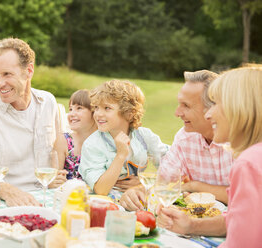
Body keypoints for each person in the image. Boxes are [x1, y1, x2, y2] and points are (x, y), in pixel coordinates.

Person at [157, 65, 262, 247]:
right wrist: (191, 225)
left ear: (240, 109)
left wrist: (195, 186)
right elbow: (239, 219)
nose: (210, 113)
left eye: (217, 104)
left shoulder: (250, 163)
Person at [0, 38, 66, 206]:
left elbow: (57, 148)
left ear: (29, 71)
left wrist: (56, 174)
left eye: (7, 74)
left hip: (49, 197)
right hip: (10, 203)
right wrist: (8, 191)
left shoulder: (48, 102)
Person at [120, 70, 234, 211]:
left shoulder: (242, 139)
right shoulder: (185, 138)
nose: (177, 113)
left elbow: (250, 196)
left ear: (213, 107)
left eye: (186, 105)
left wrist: (195, 186)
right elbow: (166, 181)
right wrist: (138, 191)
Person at [79, 80, 169, 196]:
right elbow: (100, 190)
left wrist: (143, 183)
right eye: (96, 107)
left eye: (107, 108)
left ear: (129, 113)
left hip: (137, 198)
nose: (98, 114)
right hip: (106, 203)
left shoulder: (144, 136)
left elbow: (172, 165)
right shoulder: (93, 144)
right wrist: (120, 155)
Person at [55, 89, 97, 179]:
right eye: (70, 109)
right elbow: (55, 177)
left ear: (94, 112)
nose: (71, 114)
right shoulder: (64, 141)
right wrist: (56, 180)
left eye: (79, 108)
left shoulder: (105, 141)